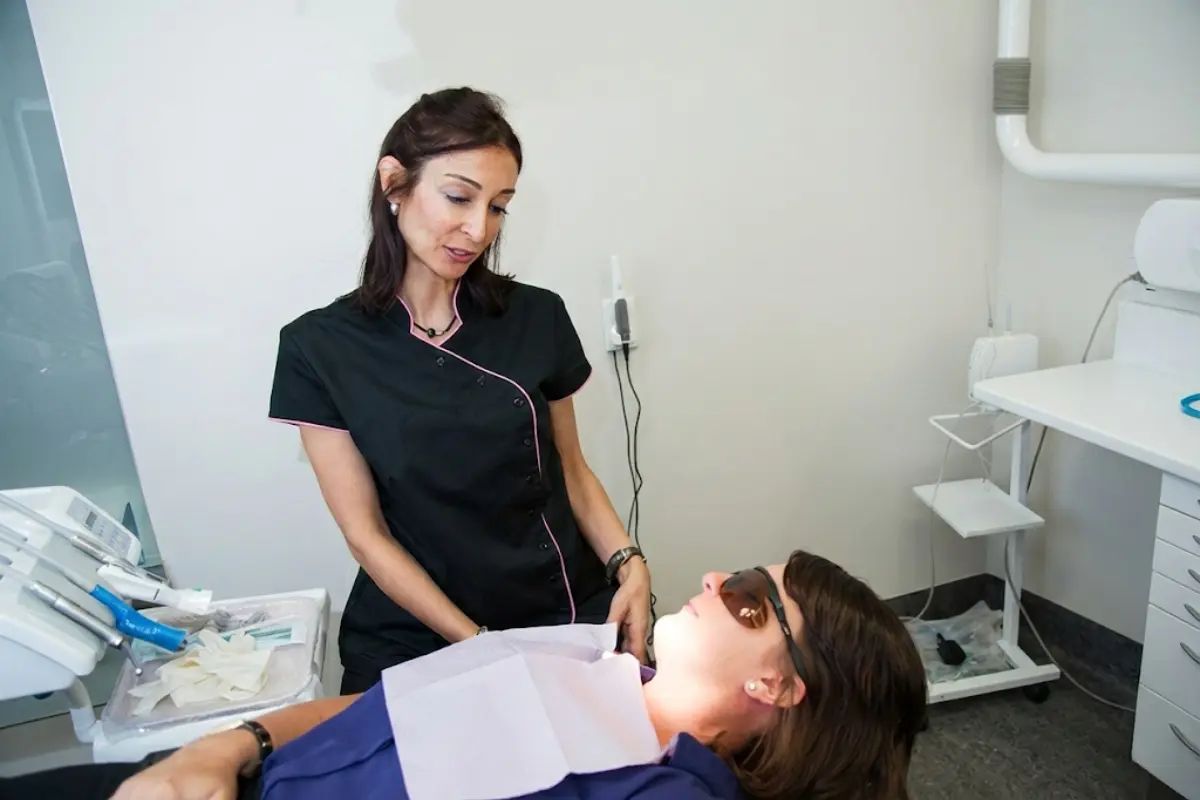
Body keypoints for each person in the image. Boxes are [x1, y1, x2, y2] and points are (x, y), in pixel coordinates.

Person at [266, 87, 652, 693]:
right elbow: (367, 536)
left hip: (557, 609)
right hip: (415, 632)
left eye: (498, 207)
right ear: (394, 183)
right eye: (458, 197)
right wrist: (481, 646)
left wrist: (629, 563)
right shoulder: (318, 349)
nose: (478, 229)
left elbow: (572, 471)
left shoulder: (536, 316)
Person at [1, 549, 928, 800]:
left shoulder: (665, 791)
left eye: (754, 601)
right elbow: (376, 705)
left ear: (779, 687)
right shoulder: (596, 658)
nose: (719, 581)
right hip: (233, 773)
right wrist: (220, 746)